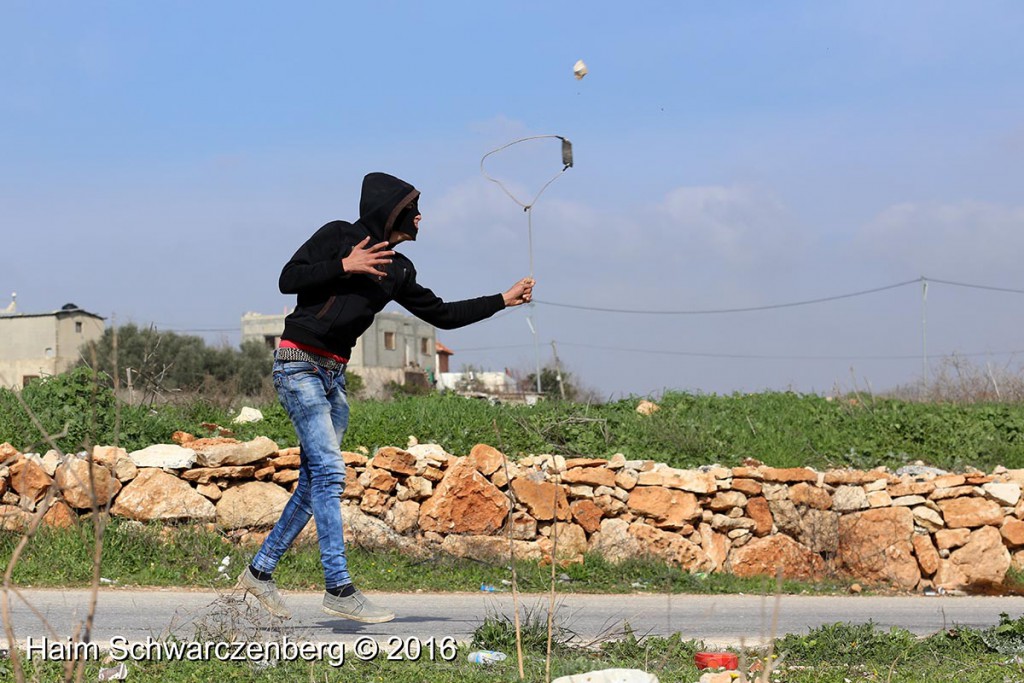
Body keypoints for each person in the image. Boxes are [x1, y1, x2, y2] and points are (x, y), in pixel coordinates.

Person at [237, 172, 535, 623]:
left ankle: (260, 573)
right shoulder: (339, 235)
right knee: (331, 474)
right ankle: (338, 587)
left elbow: (444, 314)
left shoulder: (398, 269)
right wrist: (344, 266)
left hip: (333, 377)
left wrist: (503, 299)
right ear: (392, 210)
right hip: (298, 363)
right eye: (414, 208)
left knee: (315, 479)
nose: (421, 216)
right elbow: (288, 279)